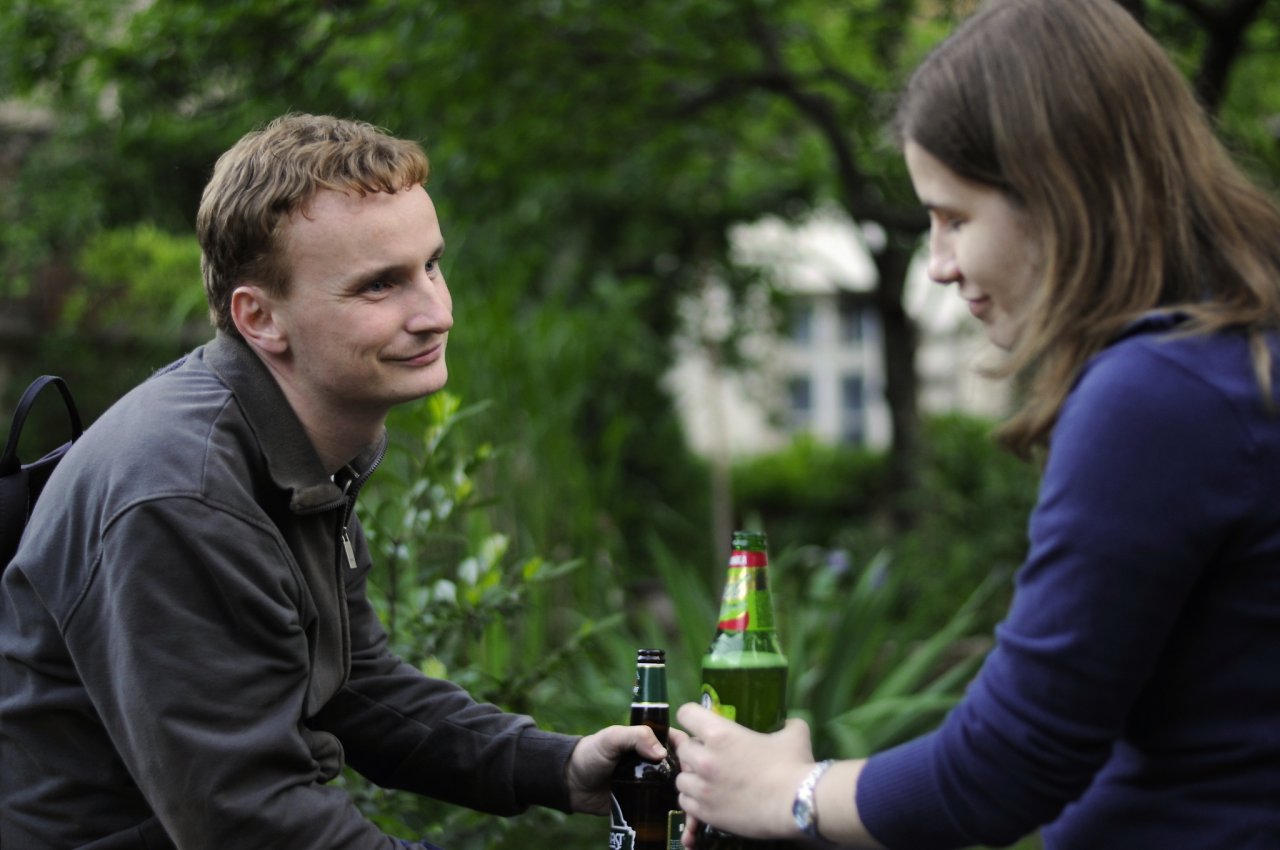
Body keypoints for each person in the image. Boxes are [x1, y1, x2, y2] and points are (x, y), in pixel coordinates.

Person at [673, 0, 1280, 848]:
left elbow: (1009, 764)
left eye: (956, 217)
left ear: (1060, 193)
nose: (939, 264)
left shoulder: (1155, 394)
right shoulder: (1236, 354)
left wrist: (787, 792)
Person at [0, 113, 674, 848]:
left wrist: (558, 767)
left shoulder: (298, 445)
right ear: (261, 318)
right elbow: (251, 821)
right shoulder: (182, 493)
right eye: (380, 285)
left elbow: (352, 684)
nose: (435, 313)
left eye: (431, 266)